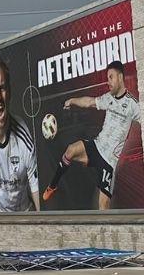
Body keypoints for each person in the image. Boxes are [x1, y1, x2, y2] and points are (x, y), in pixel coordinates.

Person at [43, 60, 142, 210]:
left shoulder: (133, 105)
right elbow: (88, 102)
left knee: (103, 206)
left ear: (120, 77)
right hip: (97, 146)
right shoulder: (108, 98)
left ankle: (107, 232)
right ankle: (52, 186)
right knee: (71, 150)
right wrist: (72, 101)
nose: (108, 82)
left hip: (109, 161)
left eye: (111, 77)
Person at [0, 56, 39, 212]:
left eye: (2, 88)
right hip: (0, 223)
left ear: (9, 93)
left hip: (26, 217)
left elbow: (37, 194)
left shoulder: (24, 138)